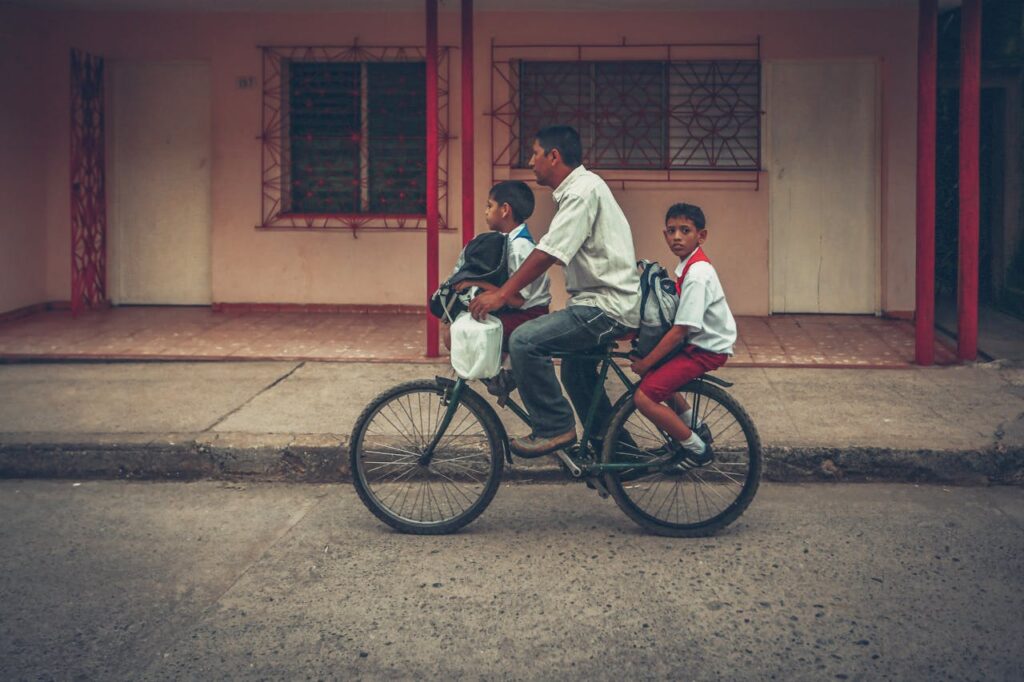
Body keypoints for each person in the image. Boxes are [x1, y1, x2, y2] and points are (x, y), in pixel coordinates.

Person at [469, 125, 640, 457]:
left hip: (606, 307)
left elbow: (548, 252)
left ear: (554, 156)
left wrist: (502, 294)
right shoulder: (582, 190)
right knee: (576, 376)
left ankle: (554, 427)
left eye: (534, 154)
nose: (531, 162)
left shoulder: (582, 192)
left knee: (525, 340)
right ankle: (619, 455)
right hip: (598, 302)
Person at [629, 202, 737, 469]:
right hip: (697, 345)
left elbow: (680, 330)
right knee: (654, 377)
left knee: (643, 397)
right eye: (671, 230)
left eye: (685, 230)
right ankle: (695, 427)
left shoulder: (698, 274)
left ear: (701, 236)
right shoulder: (690, 267)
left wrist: (646, 361)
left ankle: (696, 449)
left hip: (705, 350)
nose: (677, 236)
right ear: (664, 235)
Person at [448, 181, 551, 354]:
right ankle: (501, 376)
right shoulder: (504, 242)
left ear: (505, 210)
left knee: (455, 336)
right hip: (515, 312)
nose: (486, 211)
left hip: (528, 316)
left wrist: (480, 284)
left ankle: (497, 379)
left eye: (489, 206)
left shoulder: (520, 247)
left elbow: (518, 300)